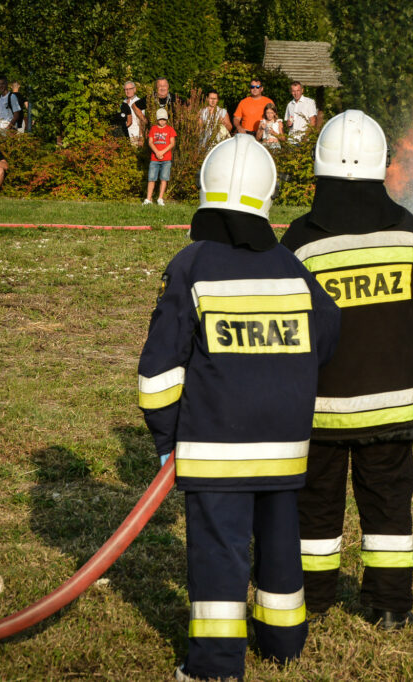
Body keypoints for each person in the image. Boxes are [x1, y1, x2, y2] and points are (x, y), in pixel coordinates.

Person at [137, 133, 340, 682]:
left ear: (206, 190)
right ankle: (283, 645)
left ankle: (215, 665)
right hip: (285, 445)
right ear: (267, 197)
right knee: (280, 546)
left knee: (219, 554)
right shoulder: (292, 268)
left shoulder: (191, 265)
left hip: (215, 449)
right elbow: (327, 331)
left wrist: (166, 441)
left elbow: (158, 374)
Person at [281, 110, 413, 631]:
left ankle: (313, 599)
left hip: (321, 408)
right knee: (389, 505)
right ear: (381, 166)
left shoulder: (300, 241)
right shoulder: (410, 232)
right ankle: (390, 605)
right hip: (392, 405)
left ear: (320, 168)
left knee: (315, 507)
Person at [144, 109, 176, 206]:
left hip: (166, 159)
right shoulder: (153, 129)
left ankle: (160, 198)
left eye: (164, 119)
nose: (162, 121)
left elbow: (172, 143)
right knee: (151, 178)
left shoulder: (170, 129)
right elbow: (150, 142)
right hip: (154, 159)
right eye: (160, 119)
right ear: (157, 119)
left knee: (164, 178)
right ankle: (148, 199)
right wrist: (157, 152)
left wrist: (162, 152)